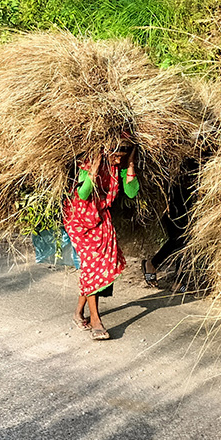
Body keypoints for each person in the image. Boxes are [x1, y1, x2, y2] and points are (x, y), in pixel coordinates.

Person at [66, 142, 137, 341]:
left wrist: (130, 165)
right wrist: (94, 169)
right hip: (79, 220)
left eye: (123, 155)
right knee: (92, 266)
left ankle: (78, 313)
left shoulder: (119, 167)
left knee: (97, 266)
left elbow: (131, 192)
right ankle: (96, 321)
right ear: (106, 151)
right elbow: (83, 193)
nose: (119, 158)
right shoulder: (88, 164)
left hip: (101, 219)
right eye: (117, 154)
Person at [141, 155, 200, 292]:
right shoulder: (178, 155)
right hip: (174, 199)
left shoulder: (198, 152)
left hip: (187, 198)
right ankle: (177, 281)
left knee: (179, 241)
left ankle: (153, 264)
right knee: (182, 241)